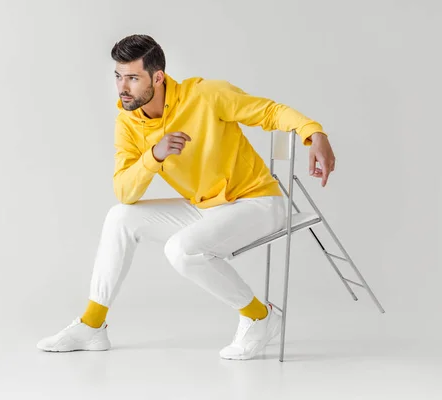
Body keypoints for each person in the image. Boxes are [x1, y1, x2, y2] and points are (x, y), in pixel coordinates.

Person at [37, 34, 336, 360]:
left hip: (257, 202)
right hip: (207, 207)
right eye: (118, 77)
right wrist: (154, 155)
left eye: (133, 78)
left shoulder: (206, 95)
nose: (123, 87)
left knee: (180, 249)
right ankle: (92, 325)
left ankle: (259, 317)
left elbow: (270, 112)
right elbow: (125, 192)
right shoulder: (127, 122)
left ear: (158, 77)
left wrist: (314, 132)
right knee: (119, 217)